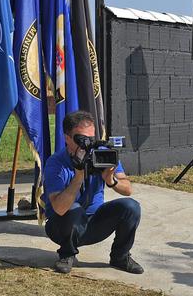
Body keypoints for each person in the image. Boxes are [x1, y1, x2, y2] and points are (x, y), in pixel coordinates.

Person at [43, 110, 143, 275]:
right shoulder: (56, 163)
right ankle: (67, 254)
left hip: (93, 224)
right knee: (73, 209)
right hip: (60, 226)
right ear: (67, 138)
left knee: (131, 207)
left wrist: (111, 180)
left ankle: (120, 256)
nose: (87, 144)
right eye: (81, 139)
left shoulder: (102, 154)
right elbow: (59, 208)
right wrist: (78, 177)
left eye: (91, 138)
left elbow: (128, 190)